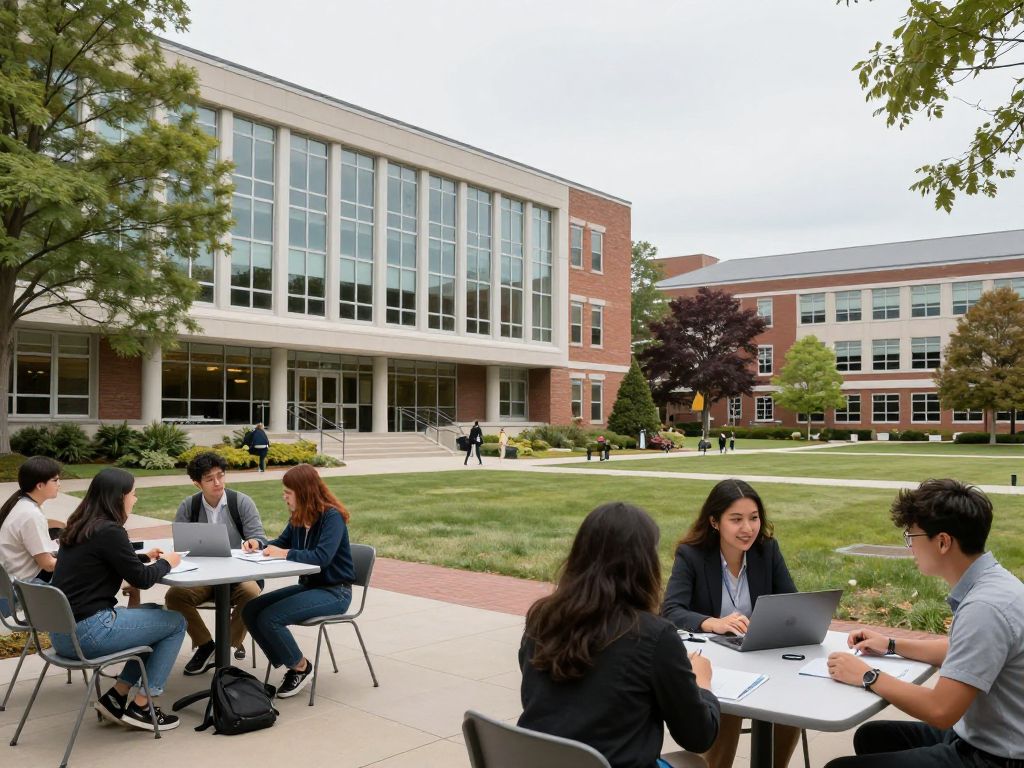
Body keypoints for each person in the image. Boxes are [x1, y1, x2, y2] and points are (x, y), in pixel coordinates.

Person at [824, 479, 1024, 768]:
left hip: (997, 757)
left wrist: (867, 675)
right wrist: (890, 644)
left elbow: (940, 710)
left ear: (943, 542)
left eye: (912, 537)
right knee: (872, 737)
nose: (910, 548)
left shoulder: (984, 608)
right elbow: (960, 650)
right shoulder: (994, 582)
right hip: (983, 735)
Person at [519, 502, 720, 768]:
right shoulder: (654, 636)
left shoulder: (541, 619)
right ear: (645, 565)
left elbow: (536, 700)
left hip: (540, 761)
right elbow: (699, 736)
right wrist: (701, 683)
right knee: (691, 762)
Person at [661, 479, 801, 768]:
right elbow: (671, 610)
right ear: (714, 522)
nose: (747, 528)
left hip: (759, 656)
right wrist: (712, 622)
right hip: (713, 663)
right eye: (736, 520)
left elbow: (791, 605)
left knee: (791, 704)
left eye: (754, 518)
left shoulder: (767, 551)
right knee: (726, 707)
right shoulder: (692, 555)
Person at [50, 468, 186, 731]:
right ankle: (142, 706)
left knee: (154, 613)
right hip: (90, 633)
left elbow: (102, 558)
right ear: (119, 497)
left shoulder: (80, 526)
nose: (135, 499)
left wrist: (144, 557)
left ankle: (117, 696)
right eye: (133, 494)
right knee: (176, 623)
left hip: (63, 636)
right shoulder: (110, 531)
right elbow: (142, 579)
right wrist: (168, 562)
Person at [241, 464, 355, 699]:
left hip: (336, 592)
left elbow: (322, 557)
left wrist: (284, 553)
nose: (284, 497)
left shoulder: (331, 517)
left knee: (270, 618)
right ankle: (289, 662)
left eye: (288, 492)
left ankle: (300, 667)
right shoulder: (299, 517)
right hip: (310, 587)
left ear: (303, 492)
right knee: (251, 610)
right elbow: (281, 542)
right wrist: (259, 544)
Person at [165, 451, 268, 675]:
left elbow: (259, 538)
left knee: (252, 593)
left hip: (238, 575)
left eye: (220, 476)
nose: (217, 482)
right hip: (202, 576)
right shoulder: (189, 506)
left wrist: (254, 542)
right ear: (197, 483)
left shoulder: (241, 502)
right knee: (174, 596)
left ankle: (224, 647)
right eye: (210, 479)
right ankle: (206, 645)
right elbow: (179, 545)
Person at [0, 456, 62, 617]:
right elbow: (48, 565)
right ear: (40, 485)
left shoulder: (20, 503)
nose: (59, 484)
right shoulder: (31, 514)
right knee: (85, 569)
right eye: (55, 480)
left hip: (10, 583)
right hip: (22, 588)